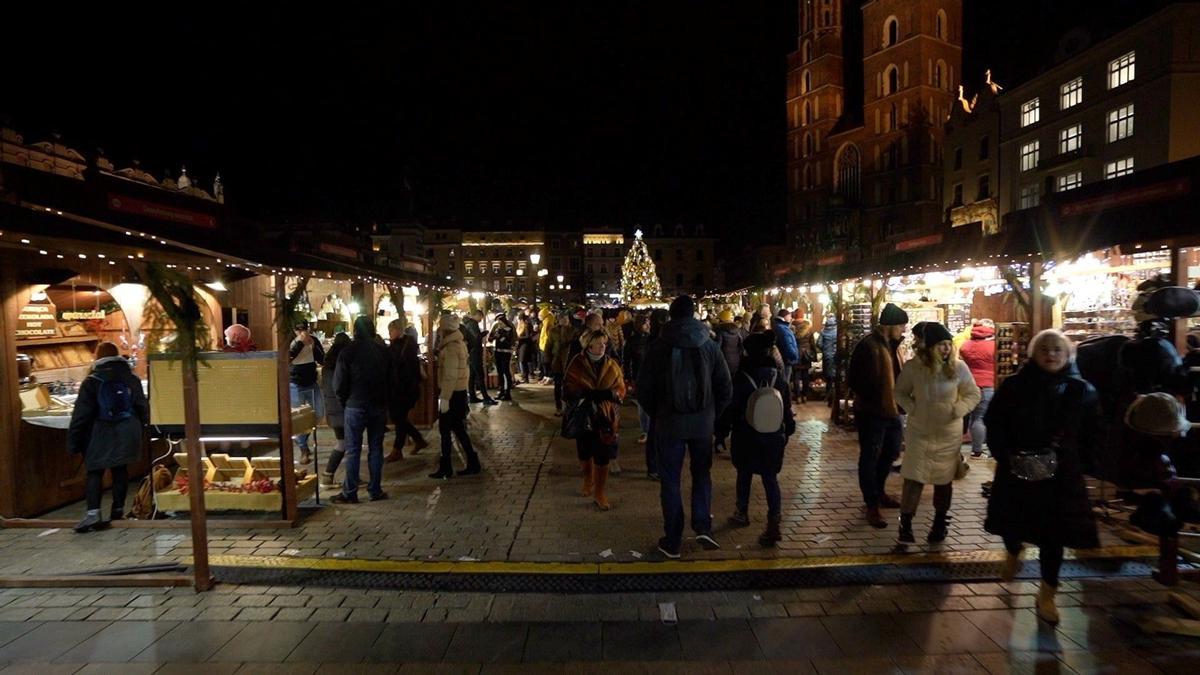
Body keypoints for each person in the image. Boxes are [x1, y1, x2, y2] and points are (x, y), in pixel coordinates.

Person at [984, 329, 1101, 625]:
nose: (1051, 355)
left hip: (1062, 476)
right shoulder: (1014, 386)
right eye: (1045, 349)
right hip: (1018, 468)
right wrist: (1004, 454)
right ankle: (1013, 550)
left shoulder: (1081, 390)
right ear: (1033, 354)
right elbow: (994, 422)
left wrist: (1085, 463)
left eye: (1057, 350)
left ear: (1067, 354)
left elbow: (1095, 431)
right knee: (1014, 523)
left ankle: (1047, 593)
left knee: (1055, 535)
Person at [637, 295, 733, 558]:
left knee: (670, 480)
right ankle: (703, 525)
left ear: (671, 314)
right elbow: (725, 386)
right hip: (702, 424)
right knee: (702, 474)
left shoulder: (659, 346)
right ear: (693, 315)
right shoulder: (710, 345)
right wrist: (713, 415)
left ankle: (673, 540)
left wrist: (656, 414)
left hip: (669, 423)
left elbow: (644, 387)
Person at [893, 322, 982, 544]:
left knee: (944, 481)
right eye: (941, 345)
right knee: (914, 478)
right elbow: (900, 393)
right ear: (930, 346)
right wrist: (913, 409)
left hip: (948, 434)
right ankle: (906, 524)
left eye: (948, 344)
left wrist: (958, 410)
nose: (946, 349)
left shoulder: (959, 368)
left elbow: (972, 394)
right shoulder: (914, 367)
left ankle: (940, 522)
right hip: (919, 432)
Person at [68, 342, 149, 532]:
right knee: (120, 470)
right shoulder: (131, 378)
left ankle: (93, 515)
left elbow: (81, 415)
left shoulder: (92, 380)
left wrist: (73, 442)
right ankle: (118, 511)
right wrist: (147, 428)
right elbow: (142, 406)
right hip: (128, 431)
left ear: (97, 356)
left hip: (99, 433)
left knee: (95, 471)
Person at [727, 331, 795, 547]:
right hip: (773, 435)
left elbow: (733, 407)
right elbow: (787, 409)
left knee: (744, 473)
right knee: (770, 479)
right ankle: (774, 522)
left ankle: (741, 511)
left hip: (746, 434)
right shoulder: (779, 377)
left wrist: (723, 429)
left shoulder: (742, 377)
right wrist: (787, 430)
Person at [847, 302, 908, 528]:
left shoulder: (894, 345)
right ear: (890, 325)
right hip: (872, 411)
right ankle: (871, 503)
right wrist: (872, 397)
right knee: (870, 456)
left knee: (892, 451)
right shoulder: (868, 345)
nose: (903, 330)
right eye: (901, 325)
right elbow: (855, 378)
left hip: (893, 409)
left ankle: (879, 491)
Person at [564, 330, 627, 510]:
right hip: (584, 414)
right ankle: (587, 479)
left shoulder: (611, 364)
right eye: (599, 343)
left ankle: (600, 492)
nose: (603, 347)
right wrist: (588, 394)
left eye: (604, 343)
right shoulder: (577, 362)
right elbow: (568, 387)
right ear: (589, 345)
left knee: (603, 454)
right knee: (584, 452)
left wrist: (611, 394)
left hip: (606, 416)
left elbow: (620, 387)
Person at [333, 316, 390, 503]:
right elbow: (393, 379)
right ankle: (375, 490)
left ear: (355, 330)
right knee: (376, 448)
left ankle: (350, 493)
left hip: (355, 405)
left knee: (353, 450)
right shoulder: (383, 351)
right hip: (379, 405)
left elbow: (339, 383)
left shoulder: (347, 352)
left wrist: (345, 401)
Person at [431, 314, 482, 479]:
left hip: (452, 394)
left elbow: (450, 376)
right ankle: (472, 462)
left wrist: (444, 398)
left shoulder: (452, 347)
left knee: (446, 430)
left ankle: (446, 466)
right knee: (458, 429)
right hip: (457, 393)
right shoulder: (456, 344)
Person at [386, 321, 428, 462]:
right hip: (405, 389)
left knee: (399, 418)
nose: (389, 334)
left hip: (403, 390)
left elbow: (402, 369)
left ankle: (398, 450)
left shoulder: (401, 347)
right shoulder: (407, 345)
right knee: (400, 419)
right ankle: (417, 440)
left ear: (397, 331)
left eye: (391, 331)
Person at [288, 321, 326, 465]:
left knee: (318, 413)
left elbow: (322, 360)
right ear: (294, 330)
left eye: (304, 329)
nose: (302, 333)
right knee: (298, 419)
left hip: (311, 382)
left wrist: (313, 346)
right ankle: (304, 449)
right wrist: (299, 343)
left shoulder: (313, 340)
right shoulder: (291, 341)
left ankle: (303, 441)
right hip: (295, 384)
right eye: (299, 330)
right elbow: (287, 358)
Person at [960, 320, 997, 458]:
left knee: (972, 417)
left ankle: (975, 449)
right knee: (981, 418)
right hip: (988, 383)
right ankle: (978, 450)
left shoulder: (965, 345)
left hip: (969, 384)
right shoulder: (993, 346)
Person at [319, 332, 351, 488]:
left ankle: (329, 476)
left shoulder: (327, 363)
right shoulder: (341, 363)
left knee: (343, 443)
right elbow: (341, 387)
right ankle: (328, 476)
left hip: (332, 410)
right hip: (342, 409)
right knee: (345, 444)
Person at [462, 310, 498, 406]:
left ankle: (472, 396)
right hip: (475, 353)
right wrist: (484, 333)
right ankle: (485, 397)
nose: (481, 320)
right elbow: (476, 338)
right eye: (481, 317)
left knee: (473, 376)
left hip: (471, 352)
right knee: (480, 375)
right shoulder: (472, 324)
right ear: (477, 315)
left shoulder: (468, 324)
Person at [545, 313, 575, 415]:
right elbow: (548, 346)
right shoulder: (553, 331)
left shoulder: (574, 330)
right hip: (557, 361)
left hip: (570, 362)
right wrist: (547, 360)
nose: (565, 320)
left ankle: (568, 406)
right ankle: (559, 407)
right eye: (562, 318)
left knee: (569, 386)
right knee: (558, 385)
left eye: (566, 318)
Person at [488, 313, 516, 400]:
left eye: (500, 323)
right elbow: (490, 338)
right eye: (498, 323)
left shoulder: (509, 330)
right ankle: (501, 391)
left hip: (506, 353)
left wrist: (500, 337)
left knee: (506, 371)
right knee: (500, 372)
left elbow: (509, 341)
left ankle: (507, 393)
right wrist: (493, 337)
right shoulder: (498, 330)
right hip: (498, 352)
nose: (499, 325)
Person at [771, 309, 800, 390]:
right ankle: (784, 400)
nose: (791, 318)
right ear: (785, 316)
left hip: (783, 358)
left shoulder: (779, 326)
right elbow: (788, 344)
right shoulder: (783, 329)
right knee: (784, 383)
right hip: (786, 359)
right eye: (790, 316)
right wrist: (794, 355)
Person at [794, 319, 817, 403]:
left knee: (796, 377)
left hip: (797, 355)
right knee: (805, 377)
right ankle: (804, 396)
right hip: (806, 356)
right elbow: (813, 345)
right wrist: (814, 357)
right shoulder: (809, 333)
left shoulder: (796, 332)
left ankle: (798, 396)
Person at [819, 314, 838, 397]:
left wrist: (824, 348)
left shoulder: (823, 332)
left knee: (828, 375)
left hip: (826, 355)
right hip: (835, 355)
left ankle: (828, 392)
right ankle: (835, 393)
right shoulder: (837, 332)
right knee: (836, 374)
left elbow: (818, 343)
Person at [515, 312, 535, 384]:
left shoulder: (525, 325)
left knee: (523, 361)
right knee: (523, 361)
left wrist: (518, 338)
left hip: (525, 345)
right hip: (522, 345)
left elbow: (527, 336)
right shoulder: (520, 324)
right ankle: (525, 377)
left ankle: (525, 377)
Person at [537, 307, 555, 384]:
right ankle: (546, 376)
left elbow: (548, 335)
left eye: (540, 316)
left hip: (546, 345)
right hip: (543, 345)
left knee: (547, 362)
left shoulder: (548, 322)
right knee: (544, 362)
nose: (539, 317)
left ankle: (549, 377)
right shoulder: (545, 321)